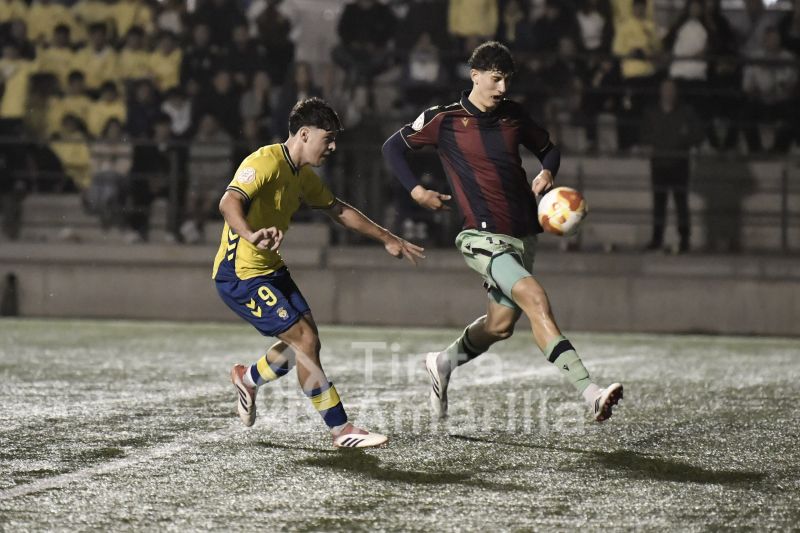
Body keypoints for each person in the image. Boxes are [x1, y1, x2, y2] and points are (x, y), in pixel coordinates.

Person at [381, 41, 623, 423]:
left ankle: (442, 362)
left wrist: (547, 172)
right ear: (475, 76)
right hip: (481, 237)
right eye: (496, 79)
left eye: (507, 80)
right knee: (535, 299)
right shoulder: (444, 119)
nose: (502, 88)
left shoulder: (514, 114)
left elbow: (549, 149)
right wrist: (416, 190)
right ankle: (590, 393)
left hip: (523, 234)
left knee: (500, 326)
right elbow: (392, 148)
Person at [218, 97, 424, 447]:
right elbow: (228, 202)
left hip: (270, 269)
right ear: (303, 134)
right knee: (305, 342)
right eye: (327, 138)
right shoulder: (264, 162)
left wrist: (387, 237)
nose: (332, 147)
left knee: (303, 345)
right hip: (240, 275)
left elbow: (338, 210)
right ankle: (341, 429)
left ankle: (248, 379)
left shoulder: (302, 177)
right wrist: (250, 234)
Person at [641, 79, 703, 253]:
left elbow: (697, 135)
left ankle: (684, 239)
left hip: (679, 164)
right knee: (658, 203)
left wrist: (684, 140)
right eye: (665, 89)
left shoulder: (686, 113)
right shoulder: (651, 113)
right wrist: (648, 146)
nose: (668, 93)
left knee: (681, 203)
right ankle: (657, 239)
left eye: (671, 89)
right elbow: (644, 135)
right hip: (658, 164)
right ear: (660, 92)